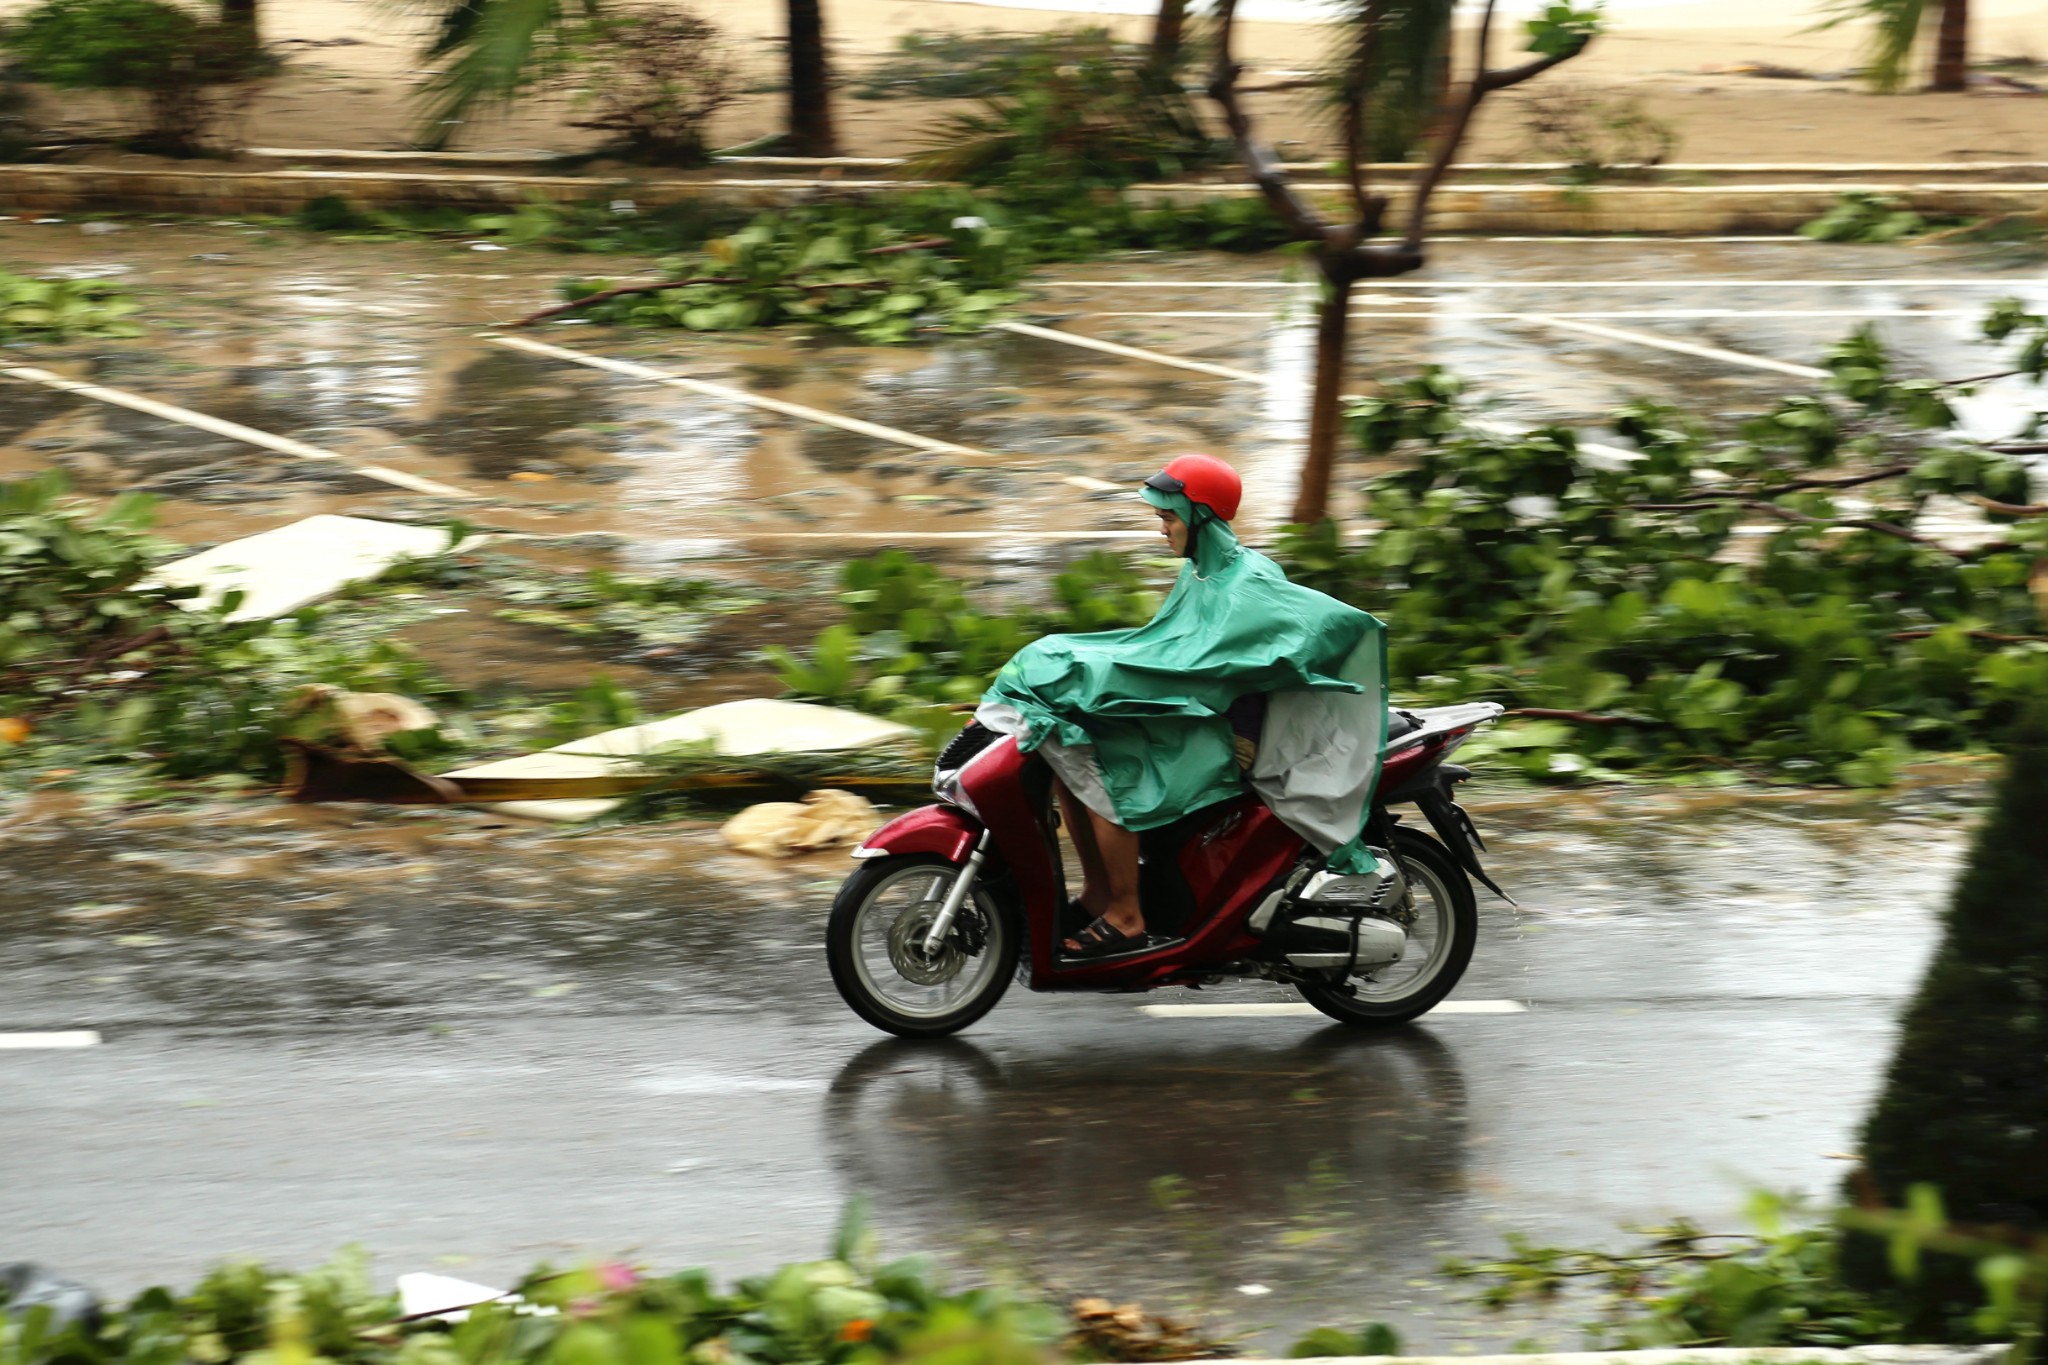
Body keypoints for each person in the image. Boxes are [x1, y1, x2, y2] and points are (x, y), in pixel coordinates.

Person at [975, 455, 1391, 959]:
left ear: (1200, 516)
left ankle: (1128, 917)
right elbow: (1161, 647)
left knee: (1113, 765)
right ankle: (1101, 895)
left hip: (1235, 738)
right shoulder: (1202, 573)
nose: (1162, 530)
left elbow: (1197, 667)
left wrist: (1096, 671)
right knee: (1068, 747)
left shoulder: (1247, 584)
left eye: (1168, 517)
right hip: (1201, 718)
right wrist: (1082, 661)